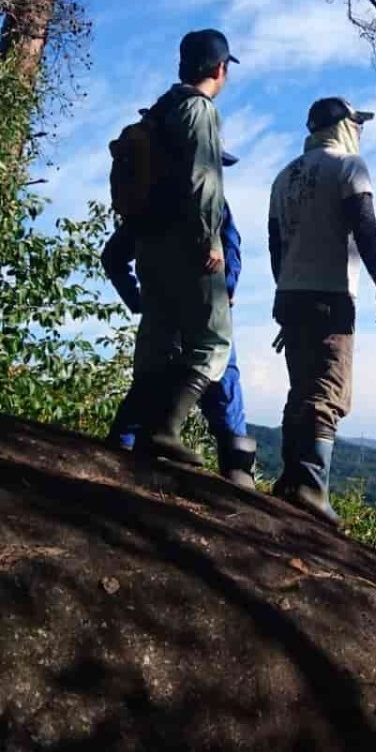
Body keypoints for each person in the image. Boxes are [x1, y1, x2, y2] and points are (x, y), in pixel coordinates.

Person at [268, 96, 376, 524]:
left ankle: (290, 480)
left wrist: (285, 287)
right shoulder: (349, 167)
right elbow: (366, 225)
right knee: (327, 391)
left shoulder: (284, 176)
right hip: (332, 295)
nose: (360, 131)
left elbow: (275, 243)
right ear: (344, 126)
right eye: (357, 124)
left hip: (290, 294)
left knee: (300, 386)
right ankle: (312, 488)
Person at [102, 167, 257, 489]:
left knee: (152, 377)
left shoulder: (149, 196)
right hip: (202, 306)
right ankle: (237, 473)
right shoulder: (211, 201)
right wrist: (225, 291)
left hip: (160, 308)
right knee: (221, 373)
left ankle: (119, 450)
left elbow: (113, 257)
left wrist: (137, 299)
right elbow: (231, 249)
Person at [125, 28, 237, 466]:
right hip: (186, 242)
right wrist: (211, 240)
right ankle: (165, 430)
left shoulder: (161, 110)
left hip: (149, 241)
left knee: (158, 336)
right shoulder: (199, 109)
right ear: (220, 68)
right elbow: (203, 179)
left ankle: (138, 433)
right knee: (213, 339)